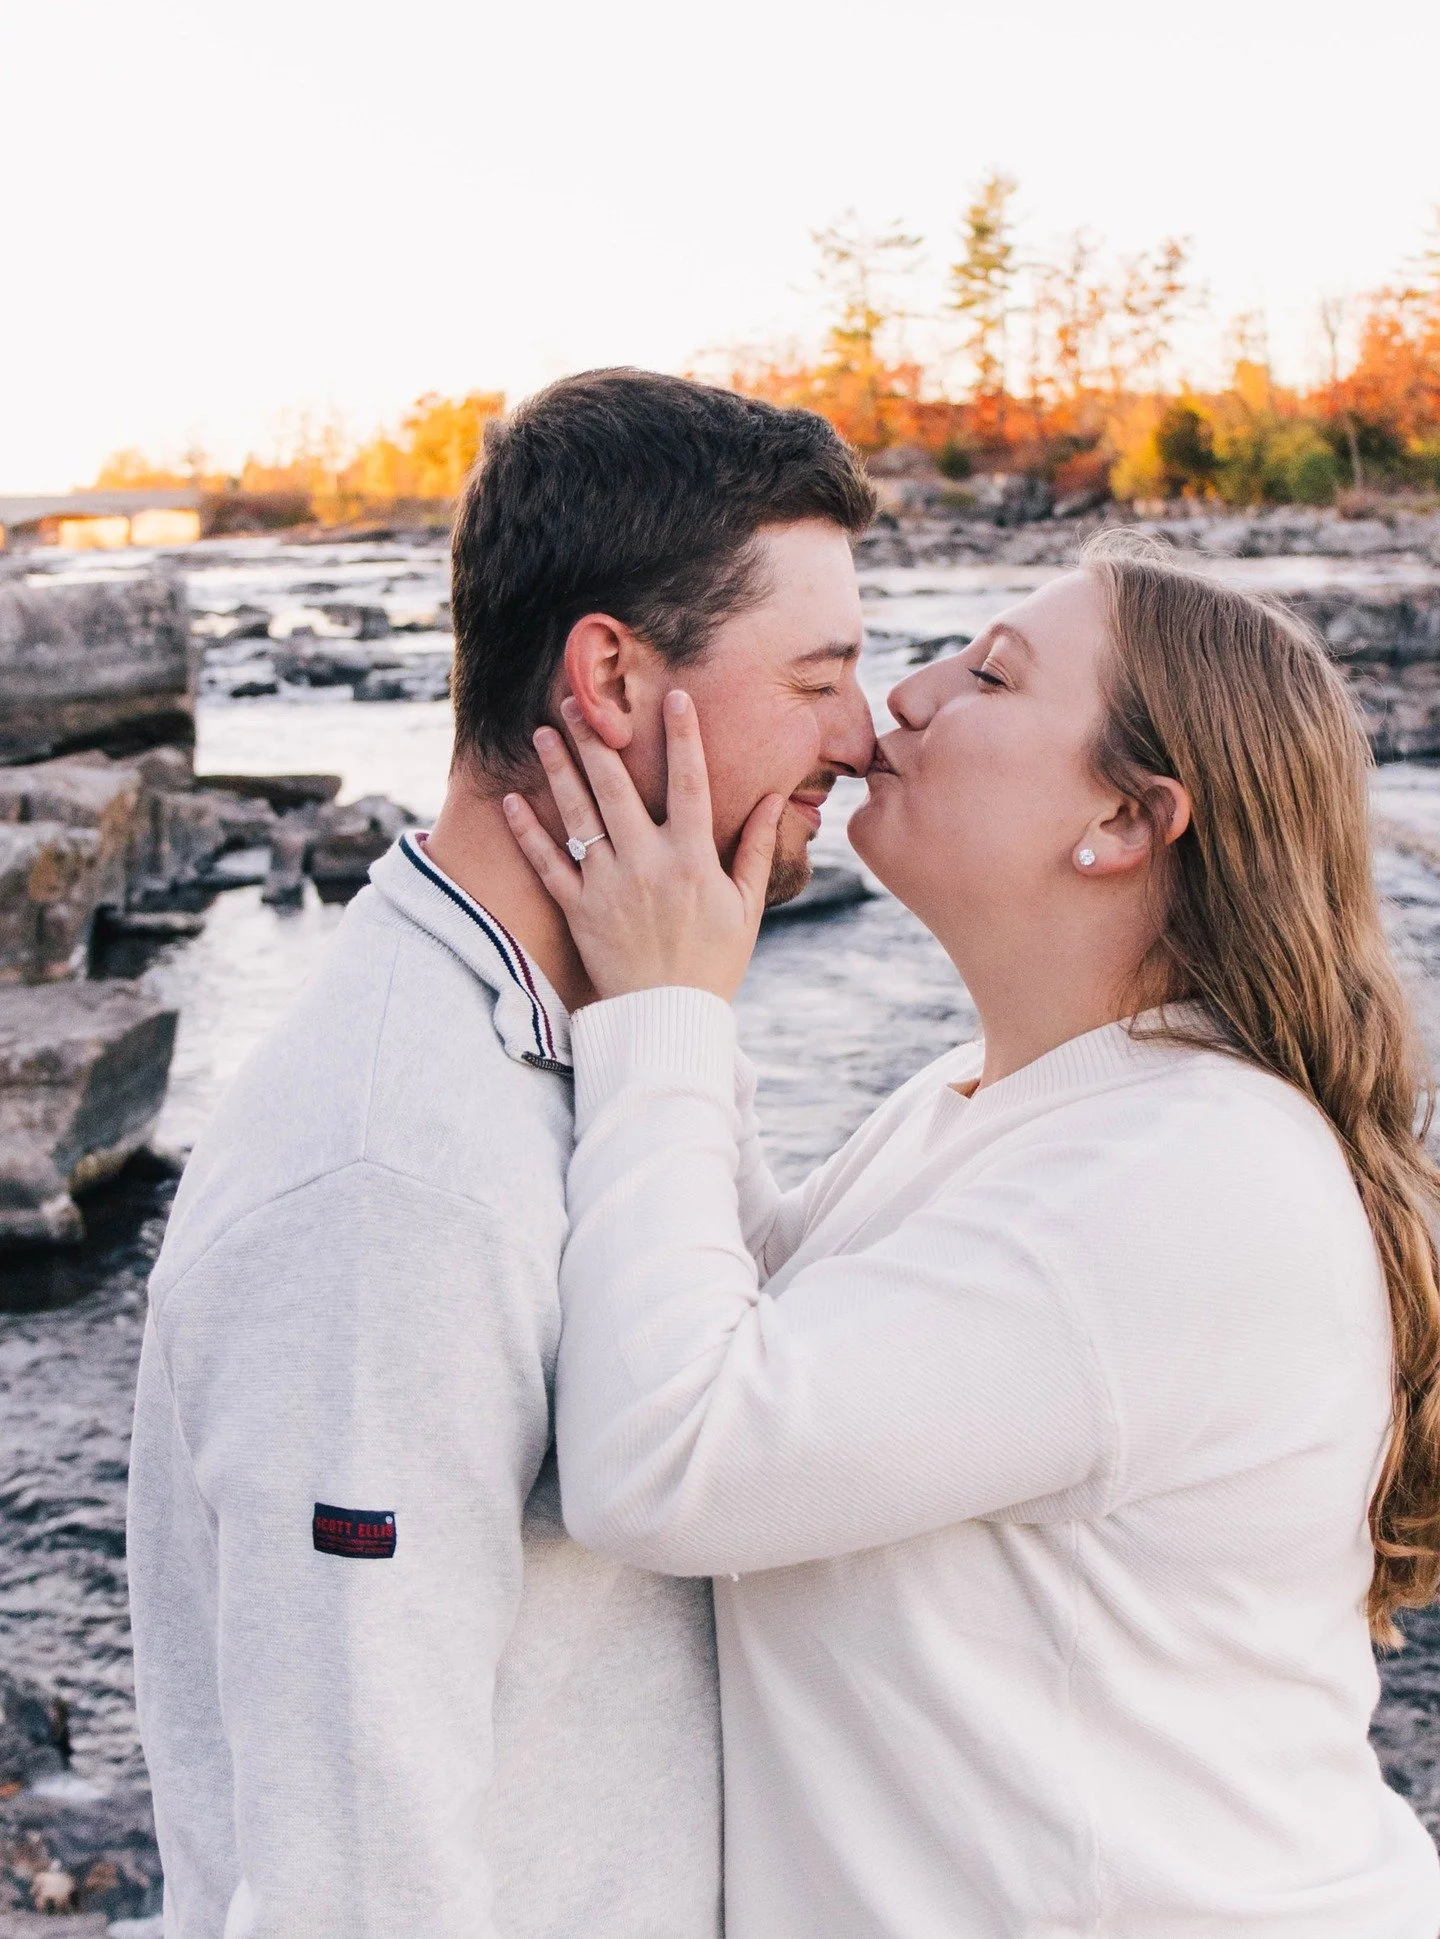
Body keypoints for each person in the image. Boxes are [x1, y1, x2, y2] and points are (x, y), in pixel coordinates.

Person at [505, 533, 1440, 1937]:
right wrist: (674, 967)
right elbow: (747, 1303)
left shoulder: (1182, 1182)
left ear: (1125, 822)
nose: (907, 694)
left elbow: (665, 1461)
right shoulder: (1000, 1096)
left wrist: (666, 1016)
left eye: (992, 672)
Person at [126, 368, 877, 1938]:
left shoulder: (630, 1016)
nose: (864, 738)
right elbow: (357, 1881)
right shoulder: (391, 1176)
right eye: (820, 677)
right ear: (610, 675)